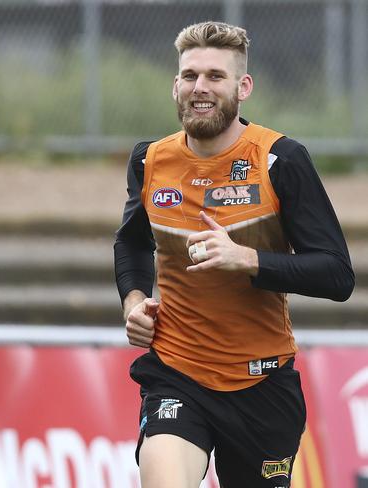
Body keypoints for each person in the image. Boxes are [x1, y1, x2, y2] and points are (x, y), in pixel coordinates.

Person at [114, 21, 354, 488]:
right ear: (175, 86)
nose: (199, 88)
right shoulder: (150, 161)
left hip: (263, 384)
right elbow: (131, 242)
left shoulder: (279, 160)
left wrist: (248, 260)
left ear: (243, 87)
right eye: (189, 76)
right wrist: (133, 301)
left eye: (215, 76)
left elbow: (337, 274)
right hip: (177, 375)